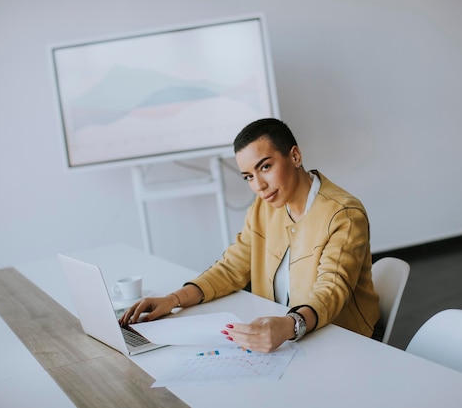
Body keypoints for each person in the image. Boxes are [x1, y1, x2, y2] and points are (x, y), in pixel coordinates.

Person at [120, 118, 380, 352]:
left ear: (295, 156)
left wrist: (291, 325)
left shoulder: (343, 213)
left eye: (265, 167)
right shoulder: (263, 208)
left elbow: (330, 290)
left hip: (340, 342)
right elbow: (232, 267)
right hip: (284, 340)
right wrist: (173, 300)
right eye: (248, 176)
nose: (258, 186)